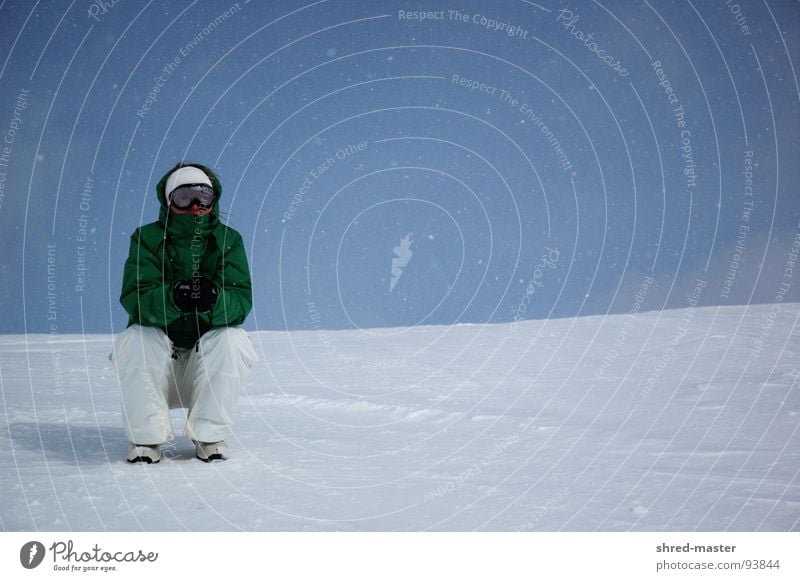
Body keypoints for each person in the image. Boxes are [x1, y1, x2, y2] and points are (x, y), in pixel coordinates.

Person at [113, 163, 257, 463]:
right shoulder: (146, 239)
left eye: (203, 197)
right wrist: (173, 297)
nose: (195, 206)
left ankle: (209, 437)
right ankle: (145, 441)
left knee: (233, 339)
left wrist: (215, 300)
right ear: (169, 201)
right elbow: (136, 298)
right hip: (157, 366)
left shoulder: (229, 241)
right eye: (184, 197)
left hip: (204, 368)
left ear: (213, 200)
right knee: (138, 337)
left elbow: (241, 301)